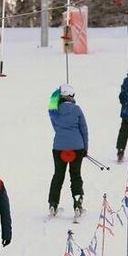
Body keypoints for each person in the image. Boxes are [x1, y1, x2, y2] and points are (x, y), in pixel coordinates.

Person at [47, 83, 89, 217]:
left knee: (58, 175)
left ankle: (53, 204)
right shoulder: (77, 110)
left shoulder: (54, 110)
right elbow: (84, 130)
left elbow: (55, 125)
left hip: (59, 147)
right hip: (77, 147)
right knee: (75, 175)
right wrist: (85, 148)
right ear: (71, 96)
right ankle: (78, 203)